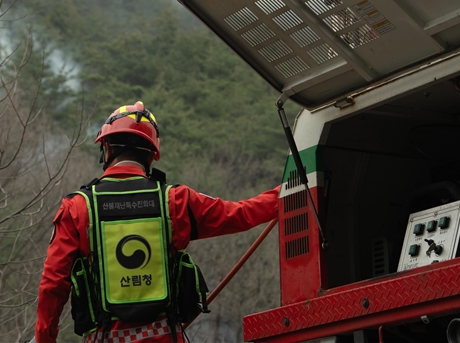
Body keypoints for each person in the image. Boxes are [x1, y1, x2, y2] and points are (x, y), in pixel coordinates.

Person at [32, 101, 281, 343]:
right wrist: (288, 190)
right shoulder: (176, 201)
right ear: (152, 156)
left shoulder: (76, 208)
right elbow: (242, 214)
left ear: (106, 148)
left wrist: (44, 338)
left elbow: (53, 284)